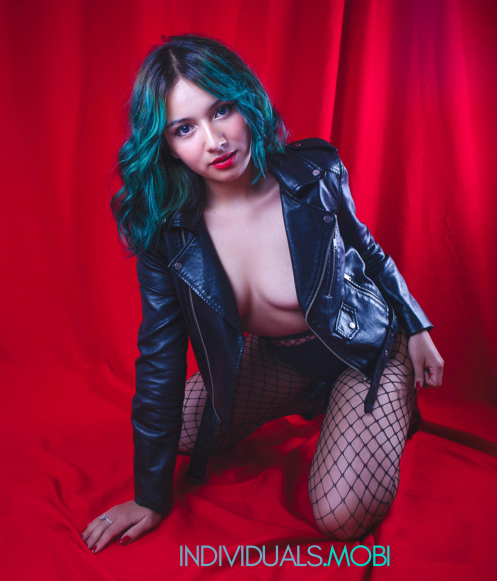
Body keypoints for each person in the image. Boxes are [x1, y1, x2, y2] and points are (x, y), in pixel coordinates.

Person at [82, 33, 444, 553]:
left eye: (221, 110)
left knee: (341, 516)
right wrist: (149, 497)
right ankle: (312, 397)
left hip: (364, 351)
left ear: (245, 101)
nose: (214, 141)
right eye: (185, 128)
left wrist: (416, 327)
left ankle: (386, 392)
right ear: (165, 144)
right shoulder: (169, 234)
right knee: (178, 433)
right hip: (283, 358)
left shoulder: (313, 171)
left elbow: (367, 248)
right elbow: (159, 357)